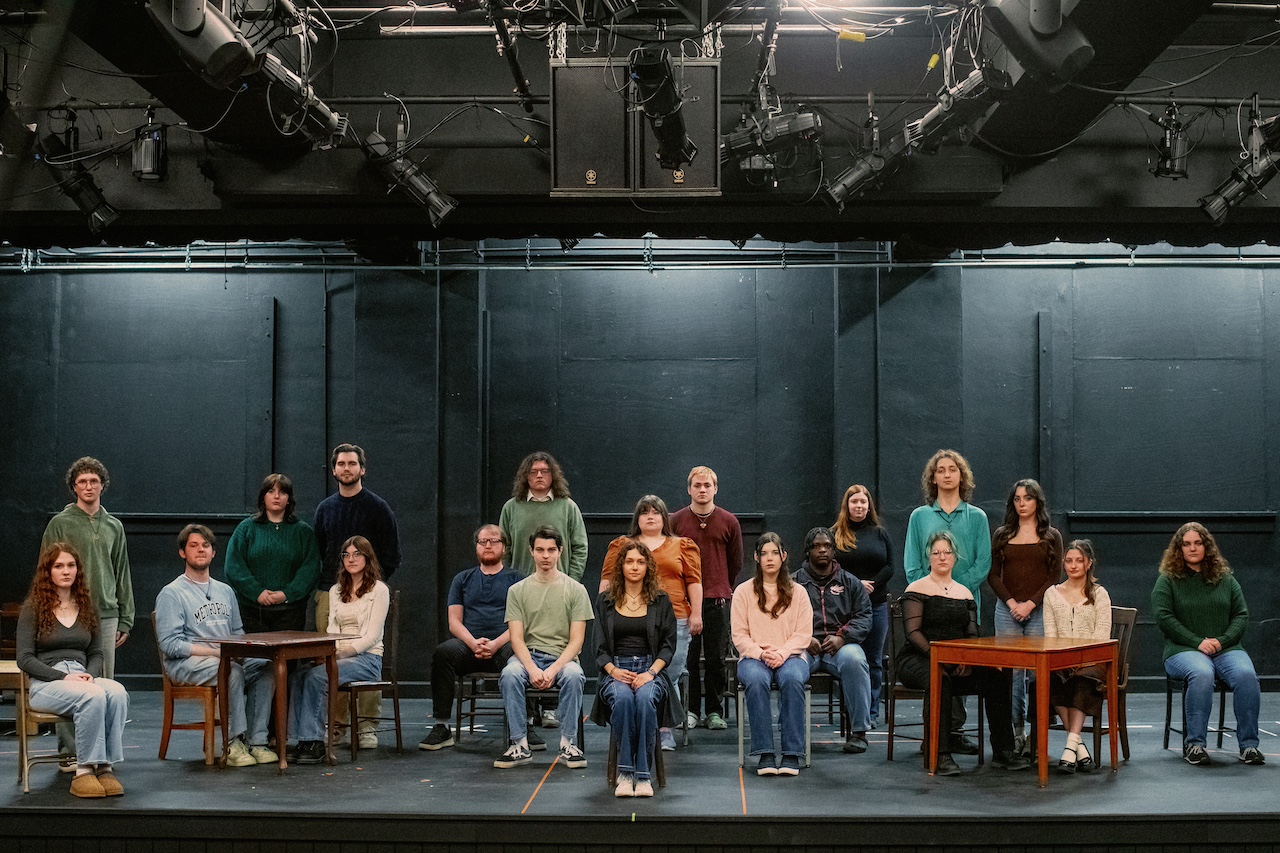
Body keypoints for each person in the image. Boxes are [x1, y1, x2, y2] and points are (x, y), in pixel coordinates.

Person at [897, 531, 1029, 776]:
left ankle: (1004, 751)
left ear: (955, 557)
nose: (942, 557)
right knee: (940, 679)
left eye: (947, 552)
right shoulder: (916, 588)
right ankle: (940, 753)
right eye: (936, 552)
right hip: (918, 658)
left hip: (955, 660)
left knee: (997, 679)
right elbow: (913, 633)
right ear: (928, 557)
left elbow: (971, 635)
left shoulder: (965, 593)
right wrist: (942, 659)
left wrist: (966, 660)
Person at [155, 524, 277, 766]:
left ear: (213, 553)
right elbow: (170, 644)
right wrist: (217, 653)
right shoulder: (172, 593)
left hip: (226, 659)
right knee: (230, 671)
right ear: (182, 553)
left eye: (206, 545)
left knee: (266, 667)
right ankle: (232, 743)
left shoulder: (226, 591)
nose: (200, 550)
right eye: (194, 545)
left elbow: (237, 632)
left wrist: (240, 651)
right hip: (186, 664)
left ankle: (257, 741)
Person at [16, 543, 129, 798]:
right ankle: (84, 771)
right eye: (58, 566)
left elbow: (97, 652)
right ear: (48, 572)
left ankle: (105, 767)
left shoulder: (87, 606)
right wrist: (64, 677)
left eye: (71, 565)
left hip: (81, 675)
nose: (66, 571)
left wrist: (90, 673)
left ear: (78, 570)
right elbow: (24, 658)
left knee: (117, 692)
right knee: (93, 696)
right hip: (47, 682)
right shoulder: (34, 608)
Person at [1152, 522, 1263, 767]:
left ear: (1206, 546)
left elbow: (1241, 615)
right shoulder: (1168, 580)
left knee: (1246, 675)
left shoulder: (1225, 578)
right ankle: (1195, 745)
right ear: (1179, 549)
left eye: (1198, 543)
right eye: (1187, 544)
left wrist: (1221, 641)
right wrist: (1197, 642)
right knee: (1202, 673)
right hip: (1183, 650)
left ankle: (1249, 746)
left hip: (1225, 649)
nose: (1193, 548)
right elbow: (1164, 618)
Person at [313, 443, 401, 749]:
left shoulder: (378, 508)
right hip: (330, 591)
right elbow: (319, 551)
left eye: (352, 463)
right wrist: (335, 587)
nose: (346, 468)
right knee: (331, 657)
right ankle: (336, 725)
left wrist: (370, 587)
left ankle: (366, 727)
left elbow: (392, 553)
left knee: (365, 653)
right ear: (334, 470)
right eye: (341, 464)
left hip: (367, 592)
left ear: (362, 469)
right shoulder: (325, 509)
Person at [903, 449, 990, 755]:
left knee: (962, 665)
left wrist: (954, 590)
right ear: (933, 477)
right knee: (935, 666)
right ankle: (937, 734)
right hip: (927, 607)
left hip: (964, 603)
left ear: (961, 475)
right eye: (941, 470)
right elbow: (913, 562)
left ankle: (954, 731)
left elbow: (983, 563)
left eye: (953, 469)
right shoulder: (920, 516)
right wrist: (933, 591)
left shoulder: (977, 517)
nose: (947, 474)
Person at [600, 495, 701, 751]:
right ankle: (633, 727)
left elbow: (694, 582)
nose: (650, 516)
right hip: (629, 620)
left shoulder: (682, 545)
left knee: (666, 675)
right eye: (644, 512)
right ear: (637, 518)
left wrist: (697, 613)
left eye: (656, 512)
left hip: (675, 617)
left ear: (665, 517)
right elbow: (607, 582)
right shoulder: (621, 545)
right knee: (631, 675)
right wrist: (604, 612)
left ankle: (664, 728)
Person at [494, 525, 593, 770]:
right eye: (540, 550)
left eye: (551, 549)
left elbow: (576, 641)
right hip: (529, 655)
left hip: (562, 657)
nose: (545, 555)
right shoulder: (517, 591)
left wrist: (552, 670)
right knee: (510, 674)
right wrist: (533, 668)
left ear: (560, 551)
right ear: (531, 552)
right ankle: (519, 743)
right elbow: (516, 639)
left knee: (573, 675)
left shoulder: (576, 590)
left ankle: (568, 743)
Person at [591, 539, 681, 797]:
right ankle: (625, 773)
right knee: (622, 700)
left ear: (648, 567)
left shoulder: (661, 600)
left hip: (649, 670)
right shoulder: (605, 600)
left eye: (640, 562)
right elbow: (598, 646)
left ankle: (642, 776)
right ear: (621, 566)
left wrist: (650, 673)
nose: (634, 567)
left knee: (643, 700)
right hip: (615, 669)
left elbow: (668, 646)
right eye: (629, 561)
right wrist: (613, 671)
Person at [289, 535, 390, 764]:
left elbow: (372, 636)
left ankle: (314, 741)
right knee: (298, 676)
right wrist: (327, 654)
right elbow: (332, 630)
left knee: (316, 677)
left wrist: (338, 655)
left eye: (357, 554)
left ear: (367, 558)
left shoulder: (379, 590)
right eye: (346, 555)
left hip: (367, 659)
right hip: (338, 657)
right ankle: (301, 740)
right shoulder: (336, 590)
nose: (351, 559)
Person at [421, 524, 521, 751]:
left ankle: (524, 725)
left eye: (494, 541)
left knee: (522, 654)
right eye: (483, 541)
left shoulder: (517, 579)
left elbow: (522, 623)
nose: (488, 545)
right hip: (469, 646)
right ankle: (442, 726)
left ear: (504, 547)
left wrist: (495, 644)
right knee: (443, 652)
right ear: (476, 547)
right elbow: (454, 621)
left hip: (503, 644)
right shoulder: (462, 579)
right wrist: (473, 643)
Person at [41, 457, 134, 679]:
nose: (88, 486)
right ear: (74, 487)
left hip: (107, 613)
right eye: (82, 481)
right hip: (69, 611)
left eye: (94, 480)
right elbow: (45, 570)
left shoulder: (114, 526)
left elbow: (122, 573)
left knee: (105, 679)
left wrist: (126, 619)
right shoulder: (60, 524)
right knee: (74, 676)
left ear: (103, 484)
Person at [988, 478, 1063, 754]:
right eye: (1017, 499)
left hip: (1040, 610)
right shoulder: (1002, 534)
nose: (1022, 504)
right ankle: (1015, 732)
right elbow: (993, 575)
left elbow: (1054, 577)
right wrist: (1011, 602)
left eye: (1027, 499)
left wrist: (1030, 604)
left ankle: (1036, 734)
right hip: (1007, 610)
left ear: (1037, 502)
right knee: (1011, 673)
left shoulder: (1051, 535)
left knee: (1037, 673)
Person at [731, 533, 812, 777]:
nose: (769, 558)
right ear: (756, 558)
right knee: (756, 681)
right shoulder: (743, 592)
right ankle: (765, 752)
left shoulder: (798, 592)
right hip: (754, 657)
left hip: (792, 656)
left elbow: (803, 634)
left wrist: (783, 653)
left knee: (793, 679)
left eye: (774, 553)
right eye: (764, 553)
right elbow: (739, 635)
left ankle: (791, 753)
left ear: (783, 556)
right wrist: (760, 653)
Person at [671, 465, 742, 732]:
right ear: (689, 489)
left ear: (715, 489)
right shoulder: (675, 521)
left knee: (716, 659)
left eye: (707, 485)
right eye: (697, 485)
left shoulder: (729, 521)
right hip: (683, 602)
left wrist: (721, 586)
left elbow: (735, 562)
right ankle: (689, 711)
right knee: (686, 659)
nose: (702, 490)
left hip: (717, 600)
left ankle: (714, 710)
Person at [795, 526, 873, 754]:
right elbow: (781, 617)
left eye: (827, 546)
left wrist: (843, 637)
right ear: (808, 551)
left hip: (840, 647)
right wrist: (802, 638)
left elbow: (864, 615)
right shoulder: (793, 583)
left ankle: (859, 732)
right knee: (790, 668)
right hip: (804, 647)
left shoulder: (850, 582)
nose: (822, 550)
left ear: (834, 551)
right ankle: (794, 733)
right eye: (817, 546)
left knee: (856, 661)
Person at [1042, 539, 1111, 773]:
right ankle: (1078, 747)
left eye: (1079, 561)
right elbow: (1050, 636)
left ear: (1089, 563)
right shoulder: (1052, 594)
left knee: (1081, 680)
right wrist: (1065, 660)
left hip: (1094, 661)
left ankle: (1070, 745)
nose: (1073, 566)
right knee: (1049, 678)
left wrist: (1081, 661)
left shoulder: (1100, 595)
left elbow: (1101, 638)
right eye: (1069, 561)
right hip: (1062, 660)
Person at [831, 484, 894, 729]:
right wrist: (856, 583)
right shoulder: (835, 533)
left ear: (869, 506)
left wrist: (873, 584)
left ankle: (872, 712)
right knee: (848, 659)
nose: (859, 506)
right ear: (846, 506)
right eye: (854, 502)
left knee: (873, 660)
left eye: (863, 502)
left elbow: (890, 566)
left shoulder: (880, 533)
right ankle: (851, 710)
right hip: (844, 608)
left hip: (876, 604)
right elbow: (830, 566)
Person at [225, 474, 322, 633]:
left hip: (291, 613)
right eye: (271, 491)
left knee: (286, 657)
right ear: (263, 497)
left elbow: (310, 569)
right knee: (254, 658)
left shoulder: (302, 531)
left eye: (282, 492)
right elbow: (234, 566)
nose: (276, 496)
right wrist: (257, 592)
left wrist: (287, 594)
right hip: (251, 611)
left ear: (289, 499)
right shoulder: (247, 528)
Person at [499, 452, 588, 581]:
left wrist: (572, 580)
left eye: (545, 471)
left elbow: (580, 547)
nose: (539, 476)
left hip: (559, 585)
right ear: (525, 476)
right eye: (533, 472)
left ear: (553, 475)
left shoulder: (568, 507)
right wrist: (506, 579)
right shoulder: (511, 508)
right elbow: (504, 548)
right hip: (520, 585)